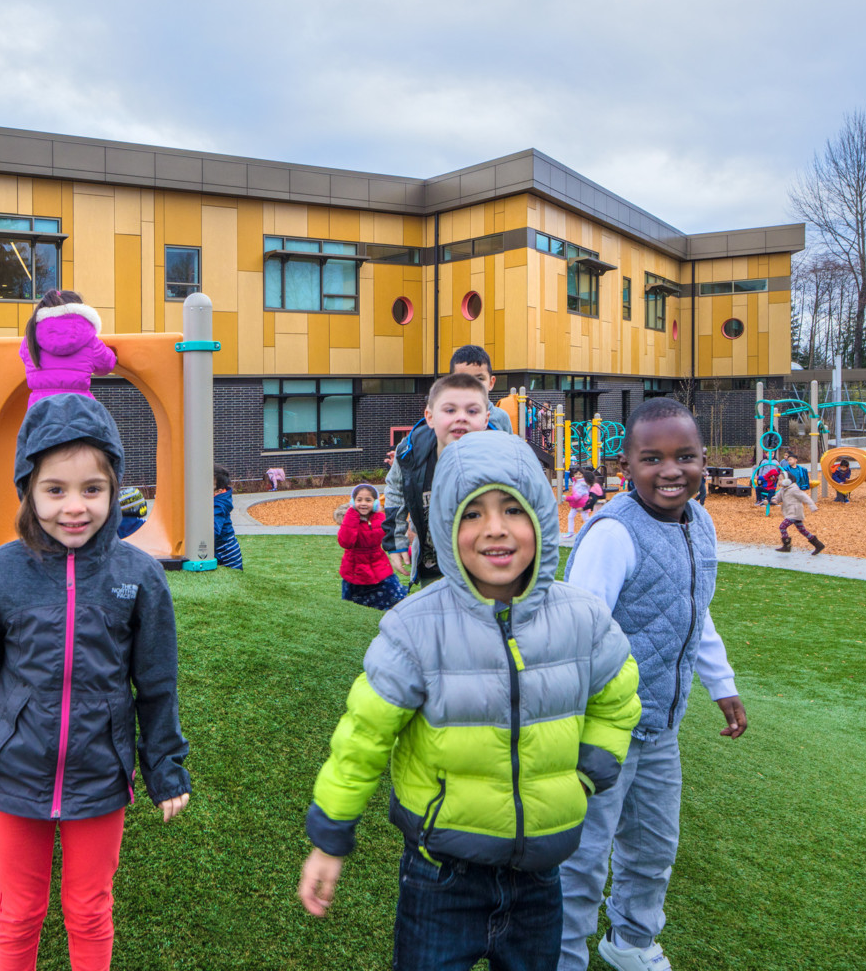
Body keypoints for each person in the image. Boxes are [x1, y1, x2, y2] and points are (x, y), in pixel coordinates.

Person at [298, 431, 641, 971]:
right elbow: (362, 739)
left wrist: (590, 770)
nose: (496, 529)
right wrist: (330, 837)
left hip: (539, 876)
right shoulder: (414, 627)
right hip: (441, 876)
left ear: (542, 518)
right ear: (445, 525)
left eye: (512, 509)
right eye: (473, 514)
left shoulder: (584, 618)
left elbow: (618, 696)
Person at [0, 394, 190, 971]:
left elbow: (156, 682)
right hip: (13, 770)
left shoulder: (140, 575)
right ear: (28, 488)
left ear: (114, 490)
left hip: (99, 770)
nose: (74, 507)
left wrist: (165, 765)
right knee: (19, 910)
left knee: (90, 907)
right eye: (55, 490)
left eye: (91, 490)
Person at [558, 397, 748, 971]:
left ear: (703, 459)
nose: (671, 470)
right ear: (628, 467)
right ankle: (561, 956)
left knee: (653, 849)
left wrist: (723, 683)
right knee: (582, 858)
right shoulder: (614, 532)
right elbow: (579, 633)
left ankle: (632, 942)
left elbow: (694, 608)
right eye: (653, 458)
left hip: (661, 726)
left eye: (685, 456)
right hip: (602, 731)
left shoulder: (701, 522)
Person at [383, 373, 491, 587]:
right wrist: (395, 542)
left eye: (472, 411)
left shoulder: (502, 456)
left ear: (486, 419)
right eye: (450, 410)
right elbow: (395, 492)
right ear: (430, 417)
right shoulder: (409, 451)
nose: (461, 417)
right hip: (433, 566)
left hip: (484, 566)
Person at [20, 289, 117, 408]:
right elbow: (106, 365)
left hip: (40, 411)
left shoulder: (30, 338)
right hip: (78, 409)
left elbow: (25, 358)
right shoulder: (89, 340)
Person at [337, 483, 406, 611]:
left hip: (379, 565)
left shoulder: (380, 518)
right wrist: (351, 515)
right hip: (354, 569)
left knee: (396, 599)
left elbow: (390, 535)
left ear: (375, 503)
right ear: (353, 501)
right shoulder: (349, 518)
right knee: (354, 608)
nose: (363, 503)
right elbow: (345, 542)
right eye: (359, 500)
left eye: (368, 500)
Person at [774, 473, 824, 555]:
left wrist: (812, 506)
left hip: (794, 513)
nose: (779, 481)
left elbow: (805, 497)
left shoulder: (794, 489)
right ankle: (818, 545)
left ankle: (787, 545)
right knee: (802, 530)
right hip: (790, 512)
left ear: (787, 480)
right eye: (779, 479)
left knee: (782, 526)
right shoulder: (783, 490)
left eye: (781, 479)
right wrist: (774, 500)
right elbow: (777, 497)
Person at [213, 466, 244, 570]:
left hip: (227, 555)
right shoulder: (218, 500)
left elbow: (214, 530)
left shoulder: (218, 505)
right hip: (222, 550)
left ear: (218, 491)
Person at [564, 469, 590, 536]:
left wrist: (567, 498)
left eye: (579, 474)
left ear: (583, 475)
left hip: (582, 503)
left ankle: (590, 530)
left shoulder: (582, 484)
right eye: (576, 474)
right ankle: (570, 532)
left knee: (585, 518)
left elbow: (577, 496)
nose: (577, 476)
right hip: (576, 503)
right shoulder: (576, 482)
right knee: (570, 516)